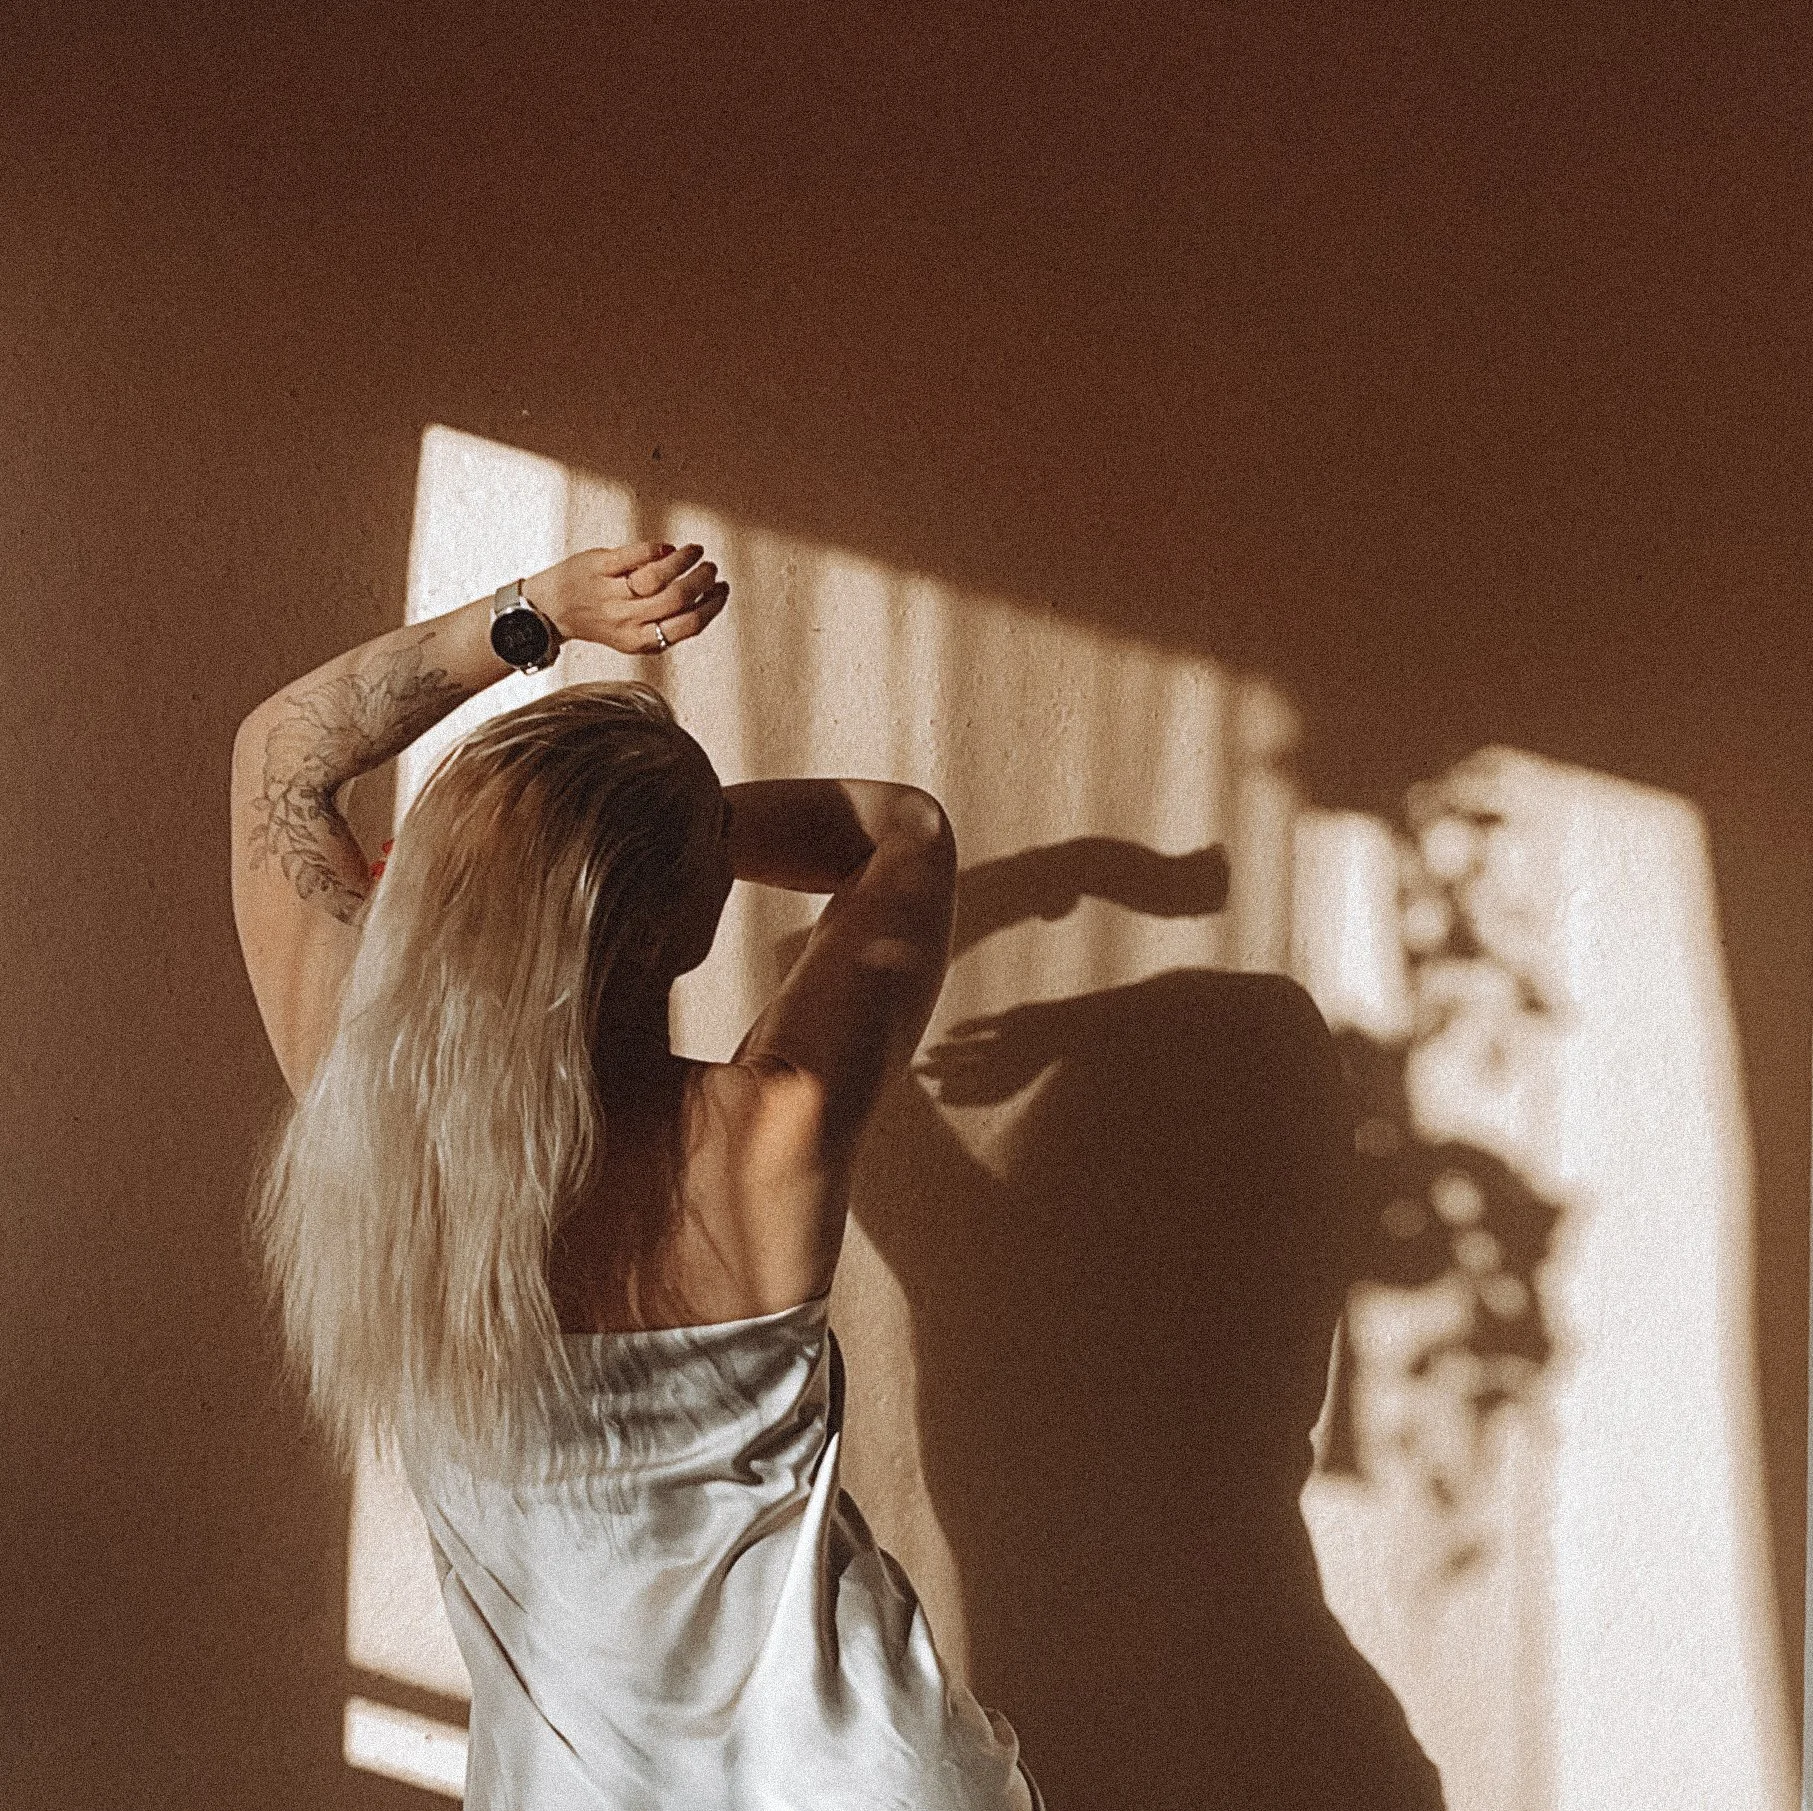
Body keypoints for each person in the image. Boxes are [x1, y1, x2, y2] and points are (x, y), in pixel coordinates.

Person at [229, 540, 1042, 1810]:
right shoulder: (772, 1132)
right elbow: (905, 832)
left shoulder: (365, 1121)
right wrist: (682, 817)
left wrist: (534, 616)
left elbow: (280, 756)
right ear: (678, 916)